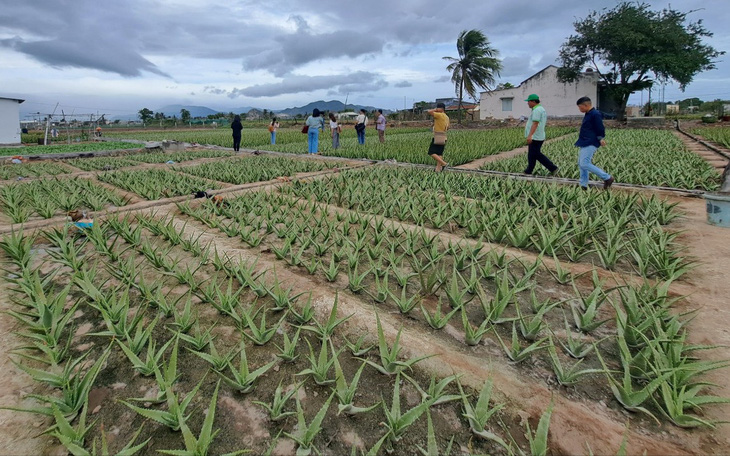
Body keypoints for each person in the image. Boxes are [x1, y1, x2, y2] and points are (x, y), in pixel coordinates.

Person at [575, 96, 613, 190]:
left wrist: (600, 138)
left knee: (584, 163)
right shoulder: (588, 114)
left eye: (580, 107)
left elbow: (600, 127)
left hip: (591, 141)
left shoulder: (595, 114)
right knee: (581, 163)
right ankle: (583, 184)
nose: (579, 109)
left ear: (586, 105)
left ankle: (607, 178)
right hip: (585, 141)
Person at [523, 94, 558, 176]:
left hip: (535, 136)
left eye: (529, 101)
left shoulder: (537, 110)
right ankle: (529, 170)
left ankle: (553, 168)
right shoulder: (540, 109)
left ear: (533, 102)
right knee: (531, 154)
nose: (528, 103)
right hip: (538, 136)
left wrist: (530, 135)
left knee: (536, 154)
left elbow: (535, 123)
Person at [427, 102, 450, 172]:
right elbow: (448, 127)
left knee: (431, 152)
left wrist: (436, 110)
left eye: (437, 107)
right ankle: (438, 169)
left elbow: (429, 112)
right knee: (439, 153)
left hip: (438, 136)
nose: (436, 109)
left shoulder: (439, 115)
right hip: (444, 136)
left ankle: (444, 163)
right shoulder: (446, 117)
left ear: (441, 108)